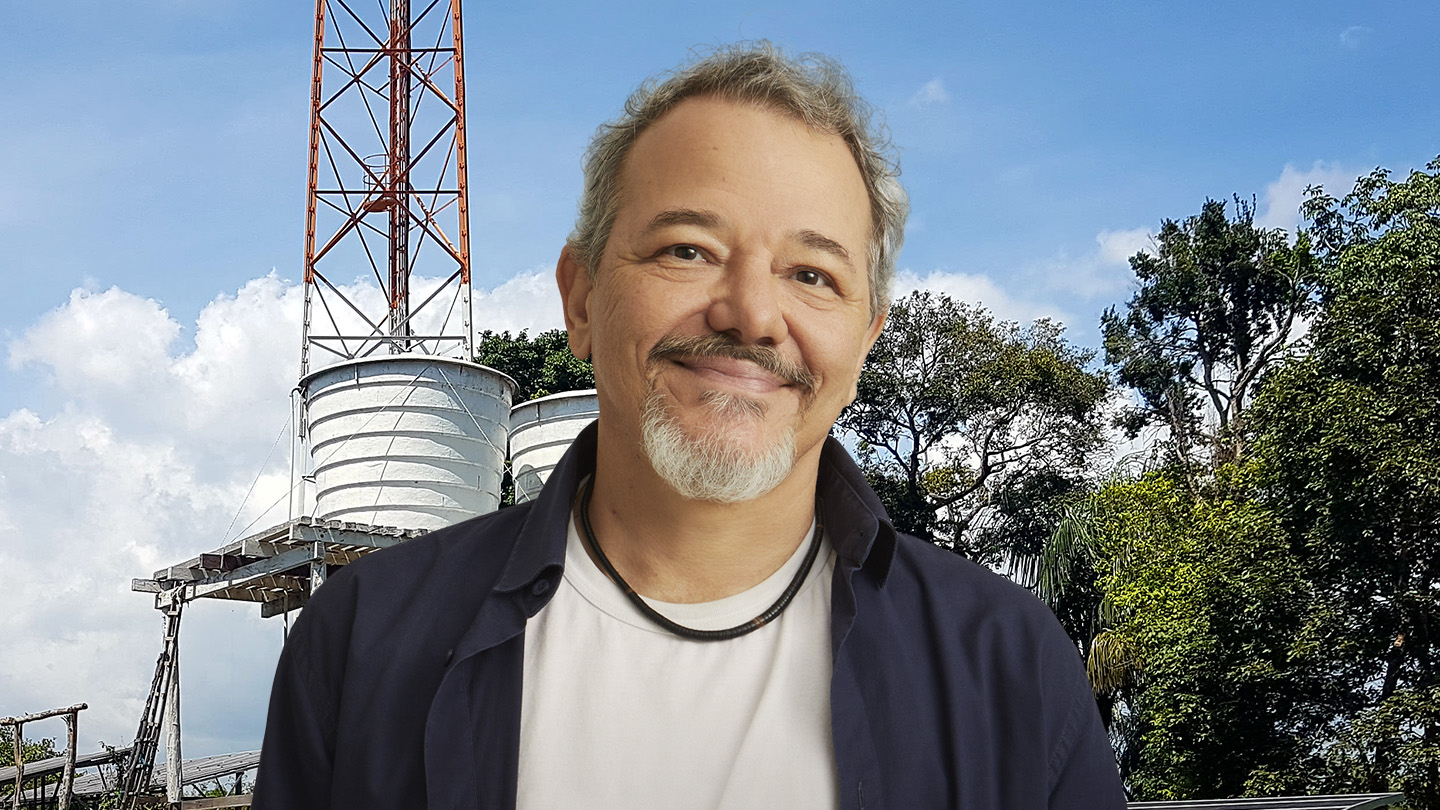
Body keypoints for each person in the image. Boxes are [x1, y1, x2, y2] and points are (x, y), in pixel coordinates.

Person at [253, 43, 1127, 810]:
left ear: (864, 339)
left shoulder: (1007, 668)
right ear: (582, 296)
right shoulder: (364, 644)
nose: (751, 314)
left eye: (813, 275)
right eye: (687, 250)